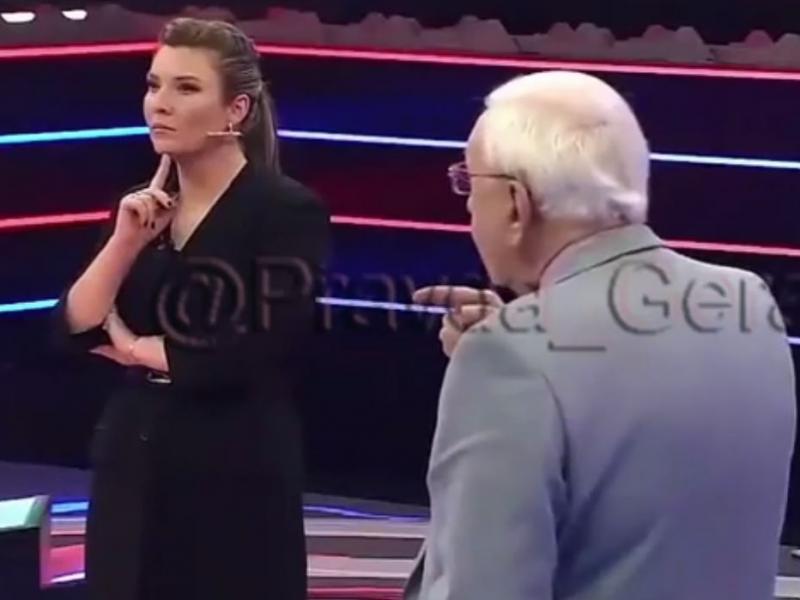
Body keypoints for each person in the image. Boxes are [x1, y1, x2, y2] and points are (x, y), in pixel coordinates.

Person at [405, 70, 796, 600]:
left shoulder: (510, 356)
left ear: (517, 204)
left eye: (469, 184)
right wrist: (518, 341)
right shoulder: (746, 301)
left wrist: (507, 353)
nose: (469, 206)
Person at [50, 17, 330, 600]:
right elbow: (74, 326)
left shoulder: (284, 210)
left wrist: (132, 347)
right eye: (154, 85)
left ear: (236, 111)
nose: (160, 103)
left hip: (233, 466)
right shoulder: (140, 207)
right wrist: (125, 241)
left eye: (186, 88)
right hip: (133, 457)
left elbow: (256, 346)